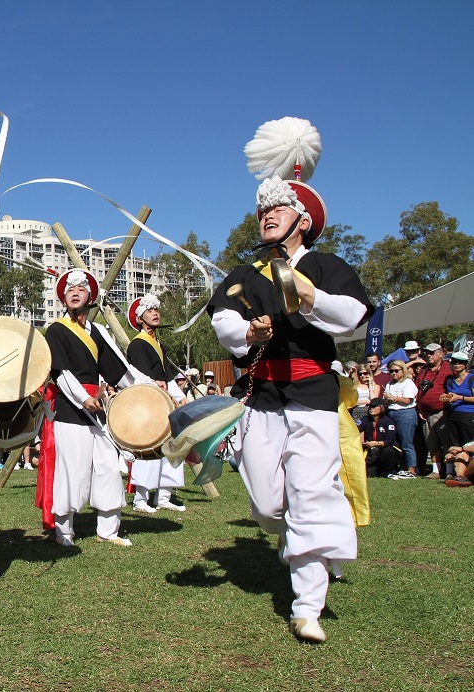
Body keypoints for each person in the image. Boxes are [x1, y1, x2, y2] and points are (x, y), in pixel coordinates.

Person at [207, 153, 373, 642]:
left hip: (313, 397)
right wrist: (249, 333)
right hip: (262, 397)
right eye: (262, 213)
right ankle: (298, 539)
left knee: (310, 493)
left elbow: (352, 315)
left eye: (277, 211)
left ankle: (307, 606)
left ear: (303, 221)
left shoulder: (325, 265)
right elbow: (222, 322)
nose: (266, 218)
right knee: (265, 503)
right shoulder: (246, 272)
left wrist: (308, 293)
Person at [40, 269, 148, 546]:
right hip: (69, 406)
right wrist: (81, 397)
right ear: (64, 299)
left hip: (97, 408)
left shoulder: (98, 331)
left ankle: (108, 529)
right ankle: (65, 531)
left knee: (108, 467)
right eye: (70, 290)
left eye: (81, 289)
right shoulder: (56, 330)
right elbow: (60, 371)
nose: (75, 292)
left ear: (90, 296)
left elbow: (119, 370)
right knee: (72, 469)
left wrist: (147, 387)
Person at [125, 293, 187, 514]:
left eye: (156, 310)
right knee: (148, 450)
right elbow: (140, 376)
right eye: (150, 311)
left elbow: (167, 376)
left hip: (165, 400)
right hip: (148, 402)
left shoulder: (159, 344)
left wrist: (180, 396)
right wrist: (161, 389)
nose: (155, 313)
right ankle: (141, 500)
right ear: (140, 318)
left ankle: (164, 496)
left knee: (171, 447)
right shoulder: (137, 344)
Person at [415, 343, 451, 477]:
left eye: (432, 353)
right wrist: (419, 408)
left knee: (446, 442)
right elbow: (418, 390)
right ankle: (436, 470)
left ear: (441, 353)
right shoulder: (424, 371)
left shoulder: (449, 368)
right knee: (431, 442)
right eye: (427, 353)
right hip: (426, 413)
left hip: (443, 412)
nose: (428, 356)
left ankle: (449, 471)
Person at [384, 360, 419, 479]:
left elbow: (407, 400)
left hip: (405, 413)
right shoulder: (389, 383)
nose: (393, 373)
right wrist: (387, 399)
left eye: (396, 371)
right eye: (391, 371)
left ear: (402, 371)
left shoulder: (408, 383)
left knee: (407, 442)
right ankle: (402, 467)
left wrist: (393, 398)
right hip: (391, 412)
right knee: (396, 442)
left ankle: (412, 469)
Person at [360, 399, 402, 477]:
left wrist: (377, 443)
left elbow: (390, 440)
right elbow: (355, 428)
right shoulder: (365, 420)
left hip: (386, 449)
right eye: (370, 407)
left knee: (387, 451)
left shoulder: (388, 421)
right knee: (368, 474)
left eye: (374, 407)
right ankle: (379, 470)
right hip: (372, 451)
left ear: (382, 407)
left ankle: (390, 470)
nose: (371, 409)